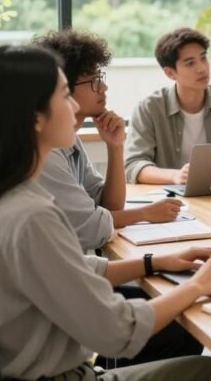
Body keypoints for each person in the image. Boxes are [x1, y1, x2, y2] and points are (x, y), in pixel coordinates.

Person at [0, 45, 211, 381]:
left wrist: (154, 262)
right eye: (65, 95)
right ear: (34, 118)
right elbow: (119, 332)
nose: (73, 107)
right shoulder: (31, 215)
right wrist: (198, 285)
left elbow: (68, 267)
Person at [33, 30, 182, 252]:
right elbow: (91, 228)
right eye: (93, 81)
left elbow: (108, 205)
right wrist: (145, 214)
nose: (103, 88)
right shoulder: (46, 153)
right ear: (63, 88)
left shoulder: (70, 140)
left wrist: (115, 147)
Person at [125, 27, 211, 185]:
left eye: (203, 58)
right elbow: (133, 165)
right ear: (170, 73)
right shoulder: (149, 109)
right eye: (190, 63)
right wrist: (175, 176)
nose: (202, 68)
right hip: (167, 199)